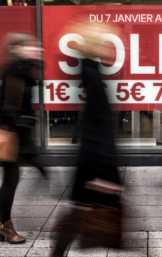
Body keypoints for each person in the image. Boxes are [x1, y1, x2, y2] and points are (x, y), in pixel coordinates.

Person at [51, 21, 123, 257]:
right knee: (88, 216)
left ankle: (58, 251)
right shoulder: (93, 77)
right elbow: (97, 130)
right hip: (96, 165)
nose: (112, 48)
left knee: (80, 214)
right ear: (96, 46)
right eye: (107, 43)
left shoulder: (91, 72)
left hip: (92, 164)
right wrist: (107, 174)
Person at [0, 32, 46, 244]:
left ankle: (4, 227)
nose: (32, 48)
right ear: (16, 48)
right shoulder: (13, 71)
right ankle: (5, 227)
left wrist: (35, 60)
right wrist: (21, 123)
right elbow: (6, 105)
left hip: (19, 136)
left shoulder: (21, 69)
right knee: (10, 181)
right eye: (27, 46)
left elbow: (36, 83)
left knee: (13, 179)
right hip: (13, 136)